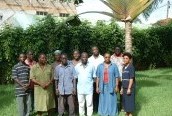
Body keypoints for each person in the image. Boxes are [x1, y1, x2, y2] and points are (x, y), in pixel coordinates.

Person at [88, 46, 104, 112]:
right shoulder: (89, 59)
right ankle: (95, 108)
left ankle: (101, 107)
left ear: (98, 50)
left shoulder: (102, 58)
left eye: (96, 49)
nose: (95, 50)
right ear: (92, 51)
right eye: (93, 49)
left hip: (101, 80)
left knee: (101, 94)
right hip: (92, 80)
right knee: (93, 95)